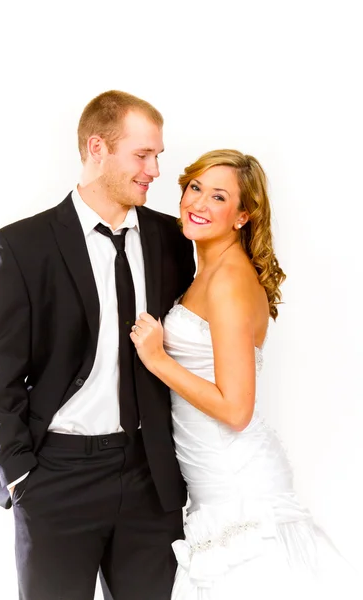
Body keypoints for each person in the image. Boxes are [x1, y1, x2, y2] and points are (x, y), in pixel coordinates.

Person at [0, 90, 195, 600]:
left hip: (150, 478)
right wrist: (19, 474)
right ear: (97, 148)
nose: (156, 170)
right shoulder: (24, 245)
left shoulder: (172, 239)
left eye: (158, 155)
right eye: (143, 155)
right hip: (57, 477)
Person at [130, 149, 361, 598]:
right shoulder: (207, 270)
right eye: (194, 187)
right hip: (212, 483)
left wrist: (158, 360)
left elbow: (236, 409)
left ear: (242, 216)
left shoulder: (230, 280)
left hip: (236, 483)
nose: (197, 203)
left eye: (218, 197)